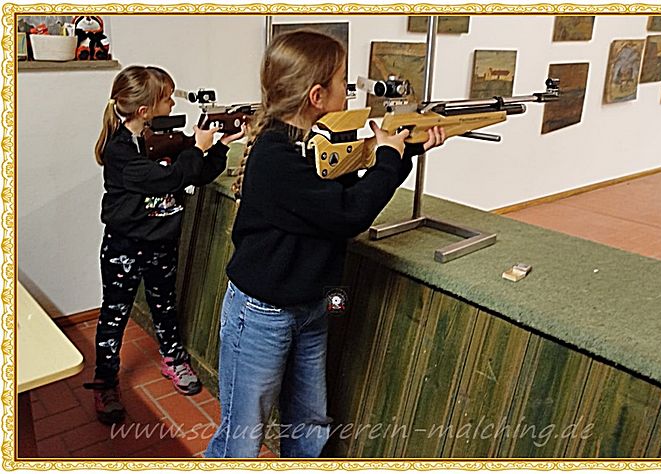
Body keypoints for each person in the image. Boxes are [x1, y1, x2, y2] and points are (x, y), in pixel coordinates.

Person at [205, 31, 445, 458]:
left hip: (314, 305)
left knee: (310, 424)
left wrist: (405, 151)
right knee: (240, 439)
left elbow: (347, 194)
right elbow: (349, 214)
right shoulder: (277, 157)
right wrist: (388, 157)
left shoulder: (313, 144)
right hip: (262, 314)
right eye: (342, 82)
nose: (348, 91)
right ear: (317, 96)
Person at [85, 65, 244, 425]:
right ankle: (105, 382)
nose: (173, 104)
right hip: (124, 248)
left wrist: (219, 145)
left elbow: (197, 173)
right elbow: (168, 178)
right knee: (114, 315)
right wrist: (198, 148)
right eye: (167, 98)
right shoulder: (120, 151)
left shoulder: (165, 139)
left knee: (165, 307)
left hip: (161, 245)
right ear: (145, 110)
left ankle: (173, 360)